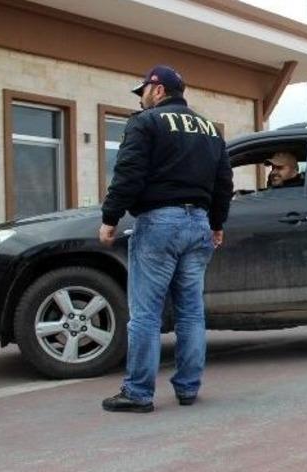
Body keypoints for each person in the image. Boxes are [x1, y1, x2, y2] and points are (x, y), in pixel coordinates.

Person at [99, 65, 233, 413]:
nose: (141, 98)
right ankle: (188, 388)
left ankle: (138, 393)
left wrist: (109, 217)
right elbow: (223, 184)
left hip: (159, 223)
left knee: (145, 313)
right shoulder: (210, 129)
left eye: (143, 90)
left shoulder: (146, 122)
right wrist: (217, 222)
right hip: (199, 224)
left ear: (157, 90)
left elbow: (128, 173)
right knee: (191, 312)